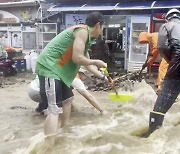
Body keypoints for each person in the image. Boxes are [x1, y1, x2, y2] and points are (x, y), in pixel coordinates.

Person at [35, 12, 110, 142]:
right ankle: (48, 146)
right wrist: (96, 61)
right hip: (50, 68)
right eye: (103, 28)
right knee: (54, 110)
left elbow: (87, 64)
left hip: (60, 74)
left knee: (68, 99)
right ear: (98, 25)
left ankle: (64, 131)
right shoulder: (82, 32)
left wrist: (104, 77)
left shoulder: (85, 38)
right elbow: (77, 59)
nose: (102, 31)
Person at [145, 8, 180, 137]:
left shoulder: (166, 26)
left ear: (167, 18)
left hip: (177, 60)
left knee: (163, 102)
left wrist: (171, 60)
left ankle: (152, 136)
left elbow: (162, 47)